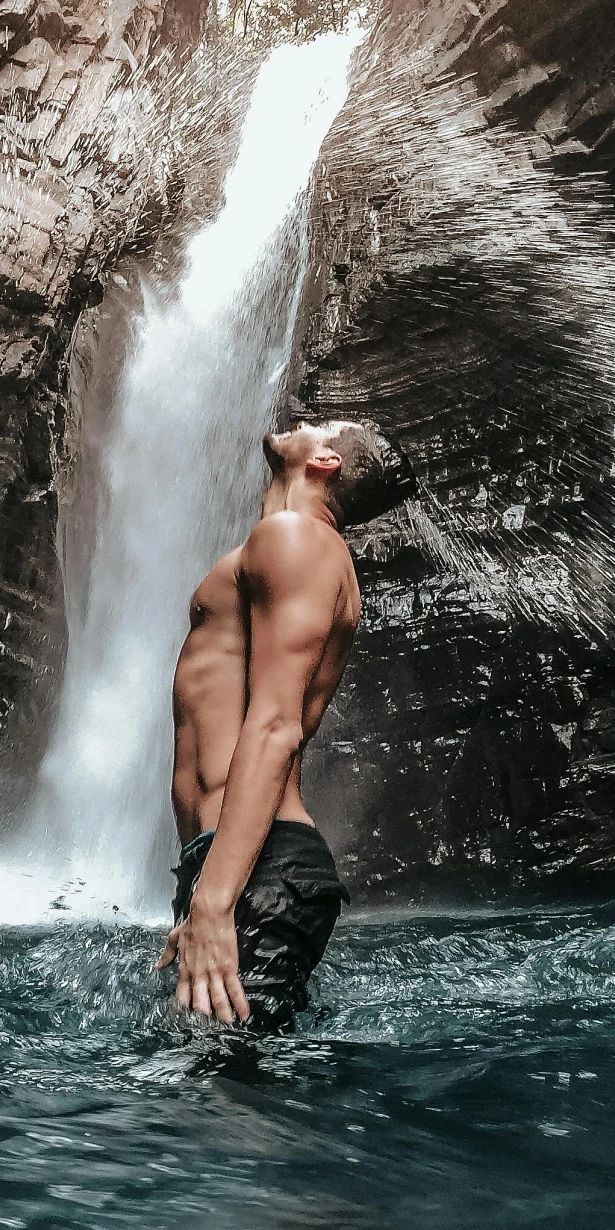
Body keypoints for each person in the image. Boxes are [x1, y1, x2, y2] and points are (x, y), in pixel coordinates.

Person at [156, 419, 416, 1032]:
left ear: (325, 460)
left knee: (226, 1088)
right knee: (220, 1077)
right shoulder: (293, 546)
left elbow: (276, 726)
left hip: (254, 867)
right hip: (239, 862)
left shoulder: (295, 538)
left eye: (319, 425)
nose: (299, 421)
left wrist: (216, 903)